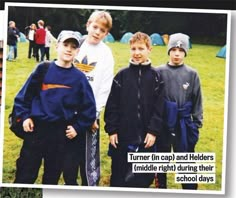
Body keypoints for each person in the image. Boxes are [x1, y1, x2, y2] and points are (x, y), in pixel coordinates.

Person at [13, 30, 96, 185]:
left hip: (60, 134)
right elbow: (23, 97)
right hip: (36, 130)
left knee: (51, 177)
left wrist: (77, 127)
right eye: (65, 44)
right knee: (25, 175)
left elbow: (89, 109)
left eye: (73, 46)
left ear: (77, 51)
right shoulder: (43, 69)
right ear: (57, 46)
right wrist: (25, 117)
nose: (68, 49)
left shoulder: (79, 78)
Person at [104, 32, 164, 187]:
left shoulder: (156, 76)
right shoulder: (121, 76)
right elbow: (112, 105)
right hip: (122, 138)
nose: (137, 52)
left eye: (141, 49)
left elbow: (160, 108)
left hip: (146, 138)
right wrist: (112, 130)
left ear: (149, 49)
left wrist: (153, 131)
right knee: (118, 176)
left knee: (143, 180)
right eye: (133, 48)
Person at [63, 10, 114, 186]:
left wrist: (95, 114)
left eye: (102, 30)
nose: (97, 32)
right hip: (68, 110)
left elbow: (105, 87)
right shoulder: (77, 45)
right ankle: (70, 184)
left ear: (106, 33)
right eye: (95, 27)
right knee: (69, 154)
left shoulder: (106, 53)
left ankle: (90, 187)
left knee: (88, 157)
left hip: (89, 114)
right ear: (88, 25)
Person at [155, 33, 203, 189]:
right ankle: (161, 185)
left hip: (183, 123)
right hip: (163, 122)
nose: (177, 53)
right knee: (161, 157)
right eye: (174, 49)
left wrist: (196, 124)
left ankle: (189, 189)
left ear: (185, 52)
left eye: (181, 50)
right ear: (169, 50)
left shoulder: (192, 74)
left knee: (186, 158)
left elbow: (197, 101)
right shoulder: (158, 71)